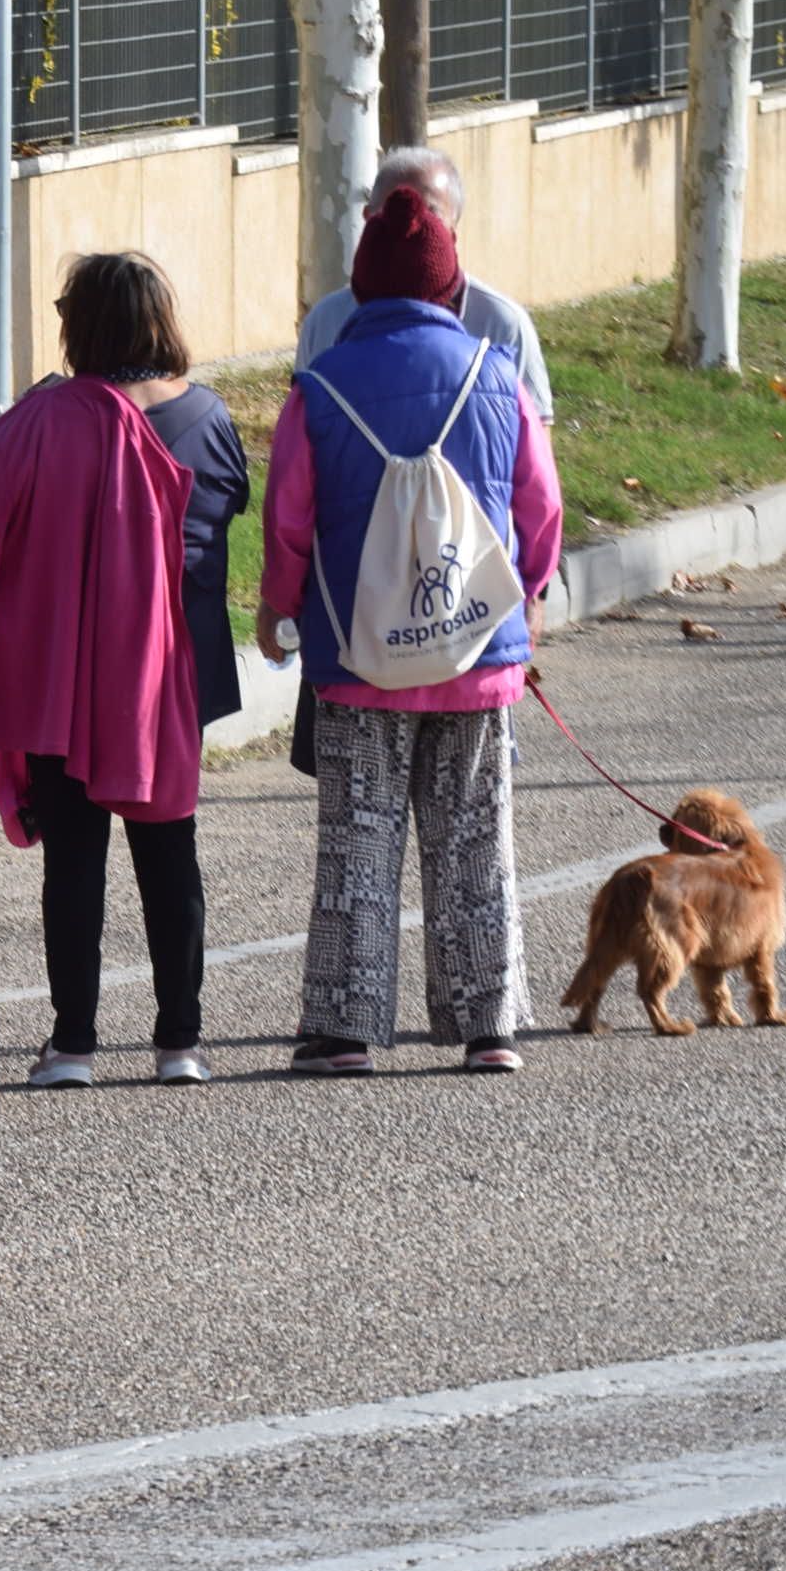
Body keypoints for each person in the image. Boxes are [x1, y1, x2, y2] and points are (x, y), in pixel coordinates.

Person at [261, 188, 563, 1076]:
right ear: (449, 284)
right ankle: (489, 1025)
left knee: (360, 839)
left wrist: (280, 612)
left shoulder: (317, 389)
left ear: (360, 291)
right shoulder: (496, 374)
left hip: (360, 656)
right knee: (476, 838)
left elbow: (290, 522)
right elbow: (538, 507)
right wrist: (530, 593)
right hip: (478, 651)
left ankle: (346, 1029)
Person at [0, 252, 232, 1089]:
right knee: (170, 854)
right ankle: (180, 1043)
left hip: (57, 676)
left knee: (75, 861)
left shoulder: (36, 421)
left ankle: (74, 1044)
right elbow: (219, 523)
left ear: (75, 324)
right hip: (165, 677)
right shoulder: (204, 417)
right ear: (162, 317)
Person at [288, 145, 552, 777]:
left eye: (421, 213)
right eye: (384, 212)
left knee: (464, 846)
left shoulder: (501, 326)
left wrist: (534, 585)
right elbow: (302, 480)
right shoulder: (328, 320)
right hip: (361, 611)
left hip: (466, 611)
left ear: (452, 230)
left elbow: (535, 475)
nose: (402, 224)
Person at [298, 146, 553, 420]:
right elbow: (303, 435)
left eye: (431, 213)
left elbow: (535, 441)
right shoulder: (325, 321)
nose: (409, 228)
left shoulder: (502, 323)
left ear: (454, 224)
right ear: (367, 218)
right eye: (390, 213)